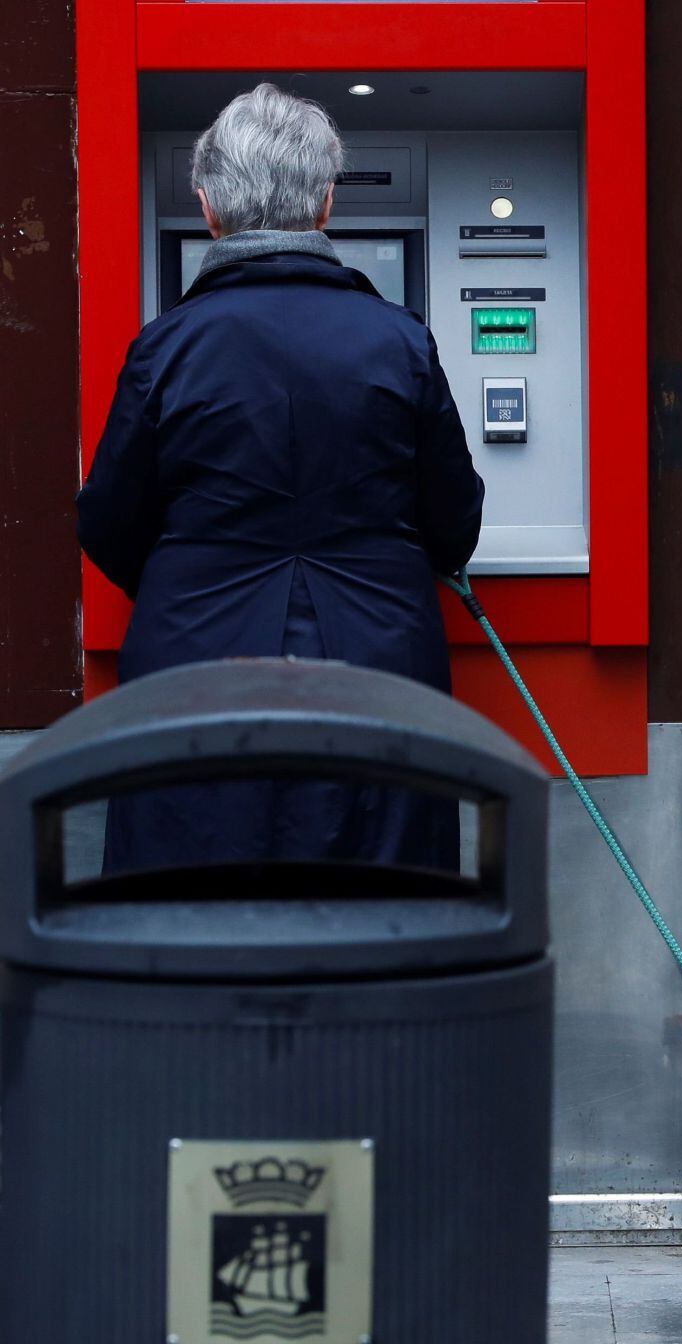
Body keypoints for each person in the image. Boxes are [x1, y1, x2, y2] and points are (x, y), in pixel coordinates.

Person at [77, 83, 484, 874]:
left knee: (192, 908)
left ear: (206, 205)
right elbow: (453, 524)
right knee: (384, 915)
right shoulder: (399, 341)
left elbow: (107, 522)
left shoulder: (166, 349)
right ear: (327, 202)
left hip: (194, 670)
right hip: (378, 666)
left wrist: (199, 575)